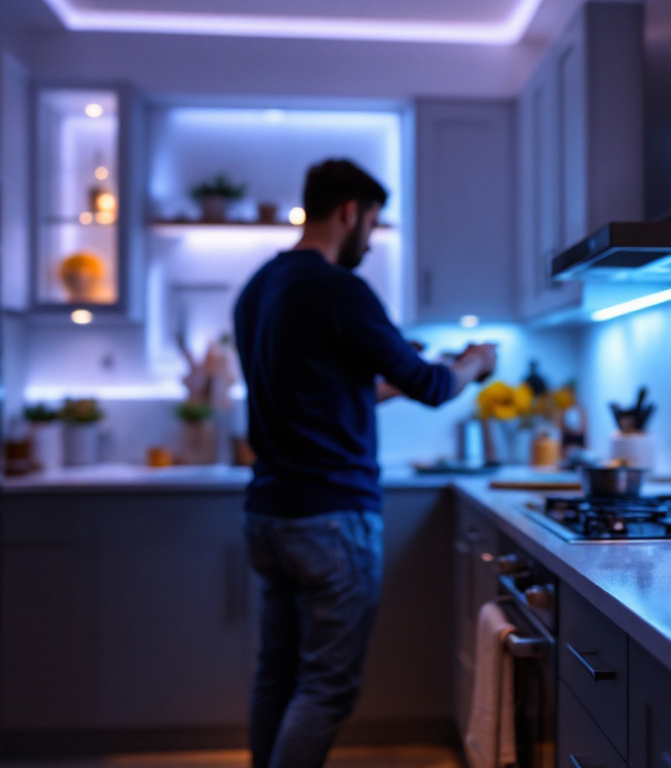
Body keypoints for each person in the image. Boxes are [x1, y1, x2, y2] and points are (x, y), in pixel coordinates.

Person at [233, 159, 497, 768]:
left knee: (278, 675)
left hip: (269, 516)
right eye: (373, 224)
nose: (372, 241)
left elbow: (326, 391)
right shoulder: (338, 290)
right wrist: (476, 363)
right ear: (349, 211)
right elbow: (434, 386)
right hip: (331, 520)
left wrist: (396, 376)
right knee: (326, 686)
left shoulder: (257, 290)